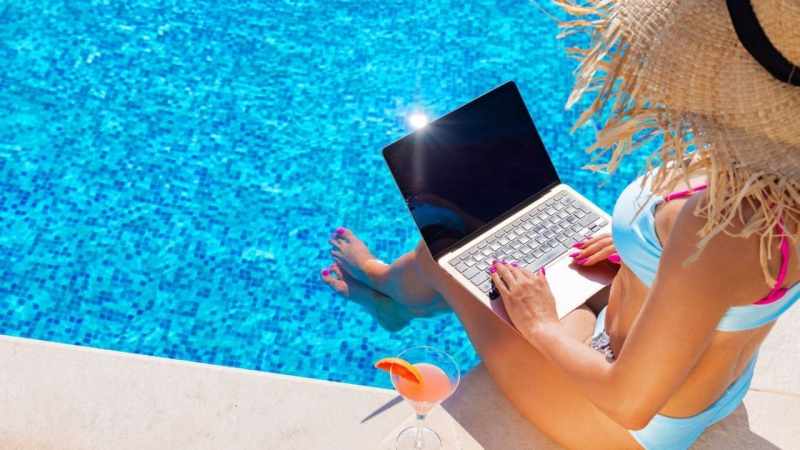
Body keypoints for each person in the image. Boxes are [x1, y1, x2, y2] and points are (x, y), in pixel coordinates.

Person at [322, 1, 800, 448]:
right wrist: (644, 254)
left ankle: (392, 297)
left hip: (628, 421)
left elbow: (628, 403)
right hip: (695, 369)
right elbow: (726, 280)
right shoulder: (769, 176)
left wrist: (543, 325)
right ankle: (398, 294)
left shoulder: (723, 225)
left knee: (447, 256)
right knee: (528, 264)